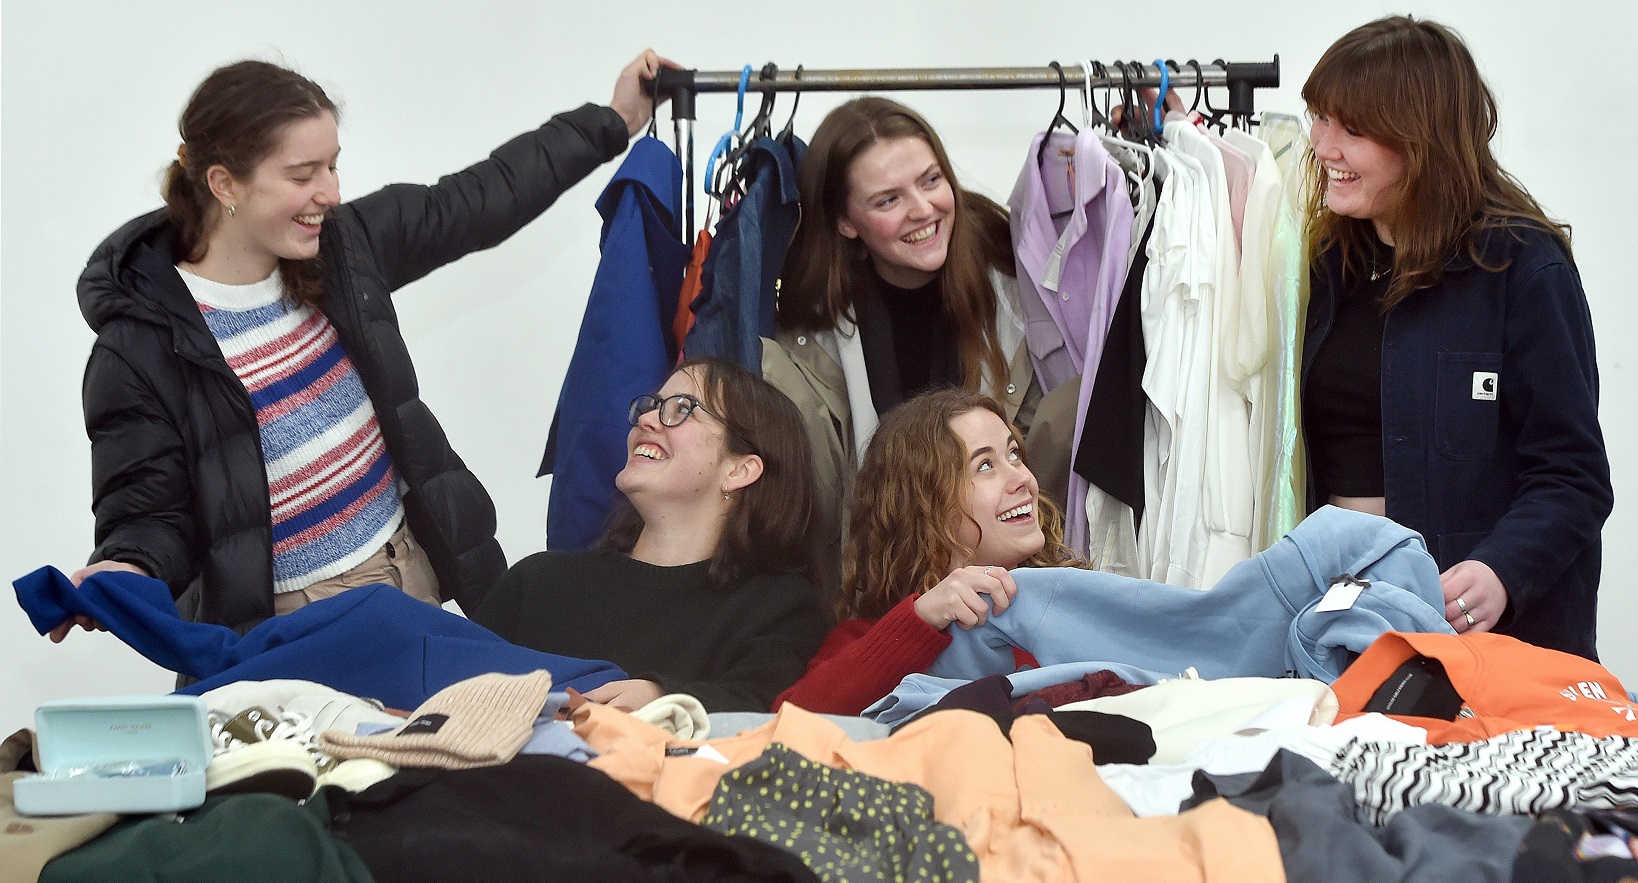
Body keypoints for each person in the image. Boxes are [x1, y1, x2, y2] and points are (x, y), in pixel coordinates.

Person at [55, 51, 674, 641]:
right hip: (296, 625)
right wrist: (126, 569)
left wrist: (613, 120)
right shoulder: (137, 350)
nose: (330, 193)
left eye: (332, 165)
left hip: (410, 573)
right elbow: (145, 510)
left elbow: (480, 198)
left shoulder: (344, 248)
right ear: (224, 184)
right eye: (303, 175)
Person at [1300, 16, 1611, 659]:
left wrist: (1500, 572)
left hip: (1489, 642)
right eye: (1319, 118)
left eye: (1350, 130)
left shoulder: (1525, 268)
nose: (1322, 146)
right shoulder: (1329, 265)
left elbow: (1573, 475)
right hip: (1347, 626)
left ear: (1420, 142)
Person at [765, 97, 1078, 604]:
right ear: (846, 220)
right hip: (874, 597)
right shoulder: (806, 336)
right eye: (888, 200)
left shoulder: (1023, 287)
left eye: (931, 181)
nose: (923, 209)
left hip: (1014, 596)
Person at [473, 357, 829, 713]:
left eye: (682, 409)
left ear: (740, 469)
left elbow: (767, 714)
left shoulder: (780, 608)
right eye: (651, 406)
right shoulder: (536, 584)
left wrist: (667, 703)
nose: (645, 419)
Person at [775, 389, 1082, 716]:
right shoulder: (869, 636)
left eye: (1015, 455)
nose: (1023, 479)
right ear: (922, 507)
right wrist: (919, 621)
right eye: (985, 465)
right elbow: (793, 718)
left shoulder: (1075, 601)